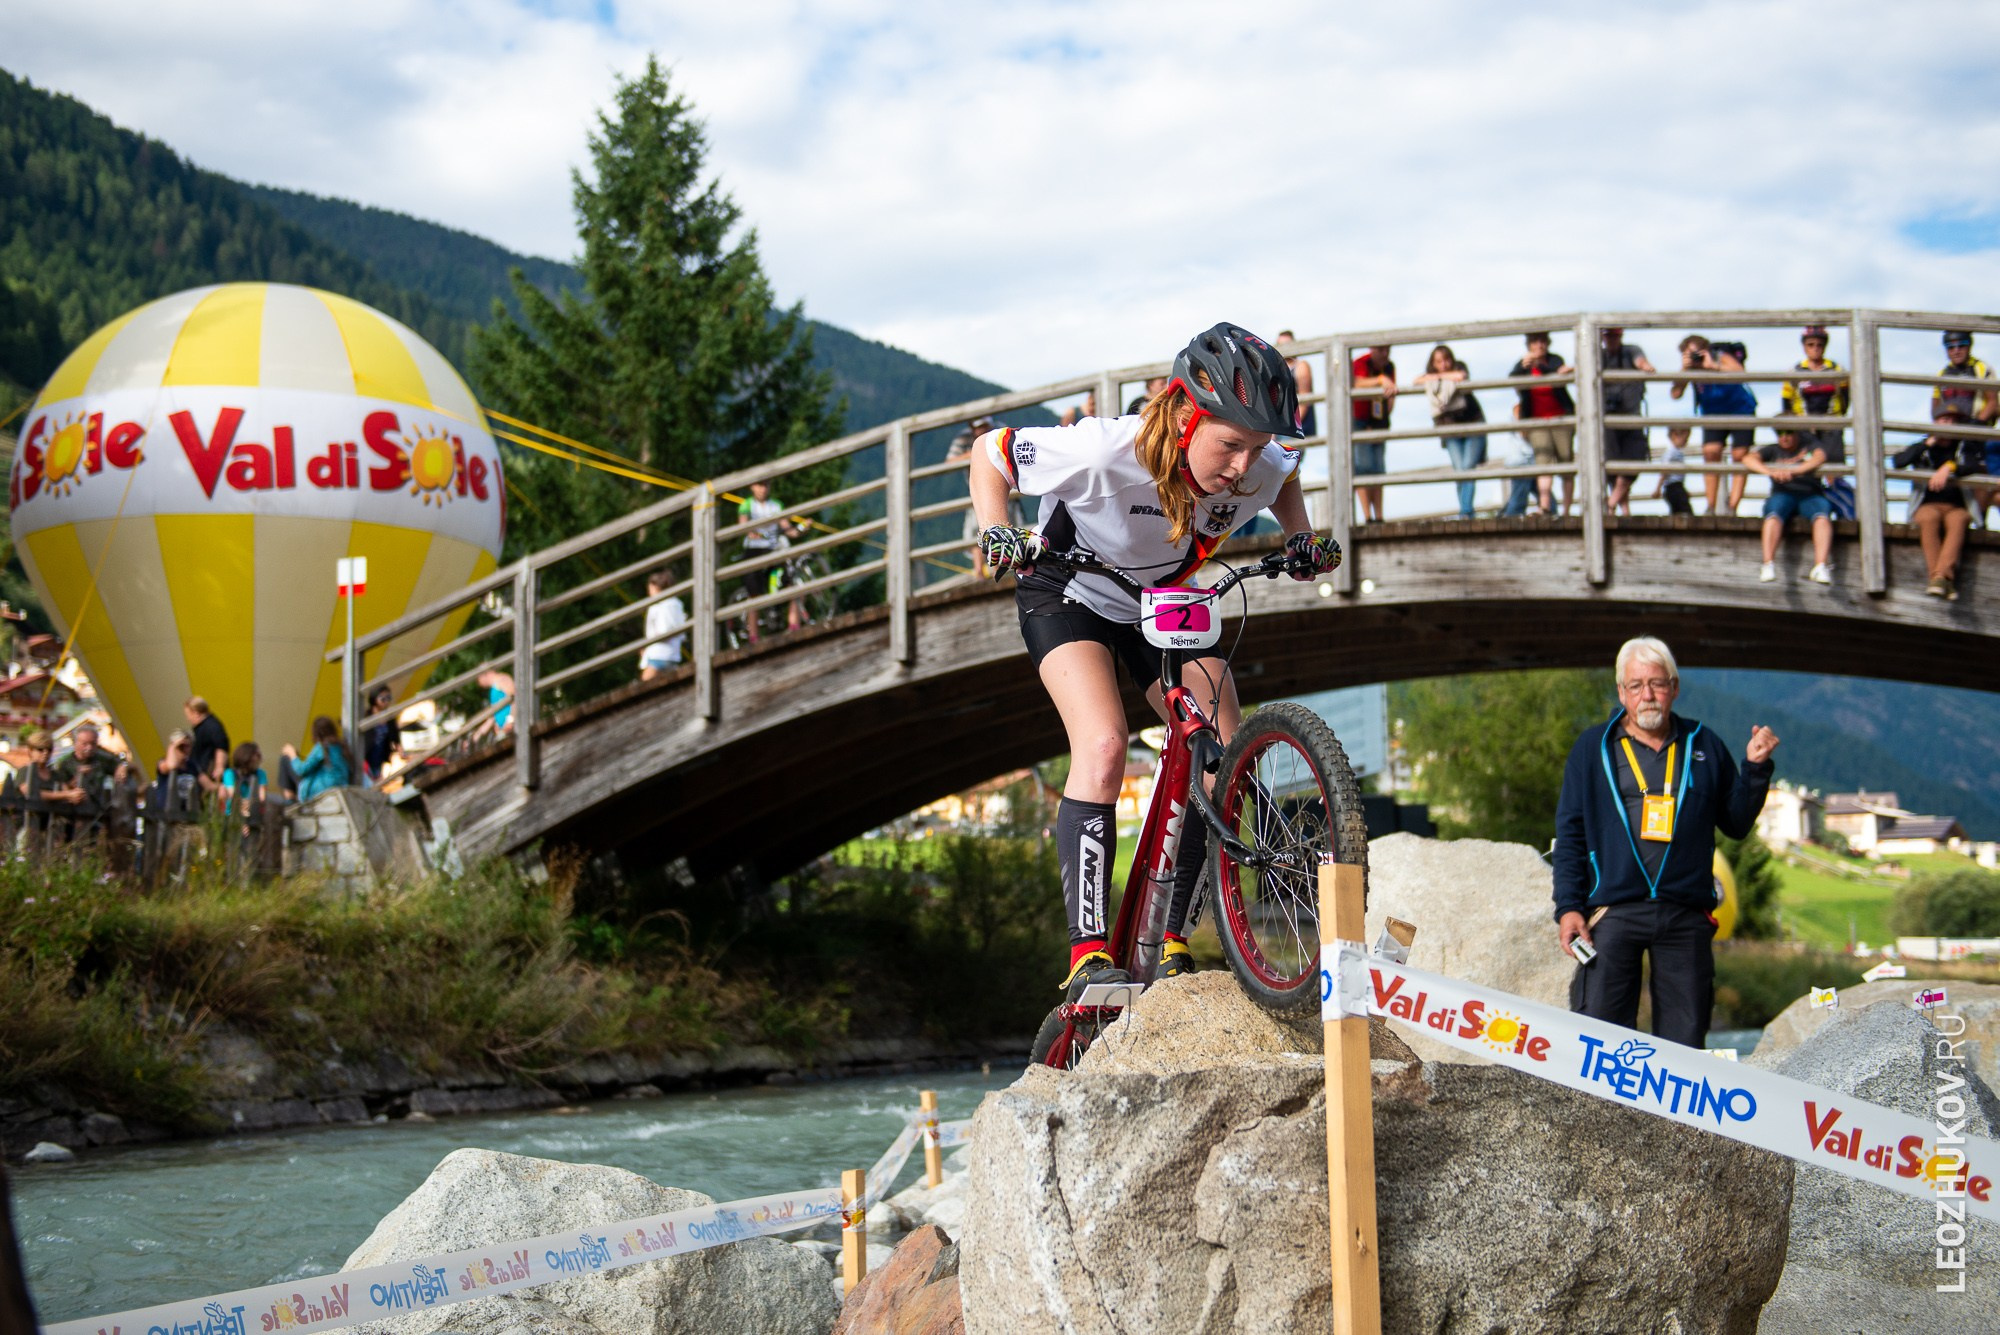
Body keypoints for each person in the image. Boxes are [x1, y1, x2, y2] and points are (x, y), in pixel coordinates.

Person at [966, 322, 1339, 1002]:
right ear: (1186, 412)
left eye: (1253, 447)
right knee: (1104, 744)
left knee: (1216, 746)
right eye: (1229, 444)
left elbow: (1285, 477)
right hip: (1066, 589)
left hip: (1159, 600)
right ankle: (1087, 953)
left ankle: (1172, 936)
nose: (1240, 465)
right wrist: (997, 527)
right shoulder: (1109, 451)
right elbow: (993, 452)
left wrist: (1302, 539)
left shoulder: (1257, 462)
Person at [1553, 637, 1777, 1049]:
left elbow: (1737, 822)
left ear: (1674, 687)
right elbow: (1570, 834)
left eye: (1657, 684)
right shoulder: (1593, 748)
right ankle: (1607, 1115)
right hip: (1612, 910)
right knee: (1600, 1036)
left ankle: (1672, 1119)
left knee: (1685, 1042)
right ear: (1621, 692)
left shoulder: (1704, 744)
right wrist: (1568, 908)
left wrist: (1756, 769)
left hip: (1685, 913)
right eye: (1636, 685)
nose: (1647, 695)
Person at [1894, 407, 1986, 601]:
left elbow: (1972, 465)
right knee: (1929, 518)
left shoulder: (1962, 447)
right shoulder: (1924, 447)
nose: (1949, 424)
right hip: (1928, 504)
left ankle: (1939, 577)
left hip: (1955, 506)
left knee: (1959, 520)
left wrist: (1949, 467)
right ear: (1935, 423)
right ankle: (1944, 579)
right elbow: (1899, 461)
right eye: (1944, 420)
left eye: (1953, 421)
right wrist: (1927, 443)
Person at [1671, 336, 1757, 515]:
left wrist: (1713, 367)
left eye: (1696, 353)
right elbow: (1675, 393)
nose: (1694, 357)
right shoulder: (1689, 369)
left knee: (1740, 455)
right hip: (1712, 414)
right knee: (1710, 452)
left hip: (1740, 410)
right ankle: (1710, 506)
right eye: (1688, 354)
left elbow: (1740, 372)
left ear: (1705, 350)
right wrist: (1684, 370)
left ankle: (1733, 507)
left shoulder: (1720, 356)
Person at [1741, 425, 1834, 585]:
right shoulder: (1772, 450)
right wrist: (1770, 472)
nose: (1784, 437)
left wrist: (1794, 471)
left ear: (1797, 432)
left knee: (1822, 515)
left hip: (1809, 494)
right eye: (1779, 433)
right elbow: (1747, 459)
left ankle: (1821, 566)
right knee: (1773, 514)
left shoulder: (1809, 444)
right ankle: (1768, 564)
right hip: (1782, 494)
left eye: (1788, 432)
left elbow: (1820, 457)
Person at [1780, 326, 1854, 519]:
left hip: (1831, 425)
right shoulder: (1795, 371)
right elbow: (1786, 402)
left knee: (1833, 469)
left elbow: (1846, 397)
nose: (1815, 348)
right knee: (1807, 469)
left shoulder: (1836, 369)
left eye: (1819, 345)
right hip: (1805, 427)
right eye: (1811, 345)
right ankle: (1807, 510)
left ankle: (1841, 511)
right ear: (1804, 347)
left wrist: (1835, 418)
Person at [1415, 344, 1486, 518]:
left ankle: (1466, 511)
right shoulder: (1432, 378)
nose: (1444, 364)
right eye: (1439, 361)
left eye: (1446, 360)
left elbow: (1461, 376)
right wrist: (1442, 377)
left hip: (1472, 422)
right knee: (1460, 469)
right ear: (1433, 363)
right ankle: (1466, 510)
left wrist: (1436, 376)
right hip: (1449, 428)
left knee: (1467, 467)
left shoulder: (1459, 366)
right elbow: (1416, 380)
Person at [1508, 332, 1575, 516]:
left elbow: (1560, 372)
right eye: (1535, 342)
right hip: (1536, 420)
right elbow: (1513, 380)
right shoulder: (1522, 365)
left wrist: (1541, 367)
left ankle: (1567, 511)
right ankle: (1544, 506)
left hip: (1561, 418)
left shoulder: (1554, 360)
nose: (1539, 345)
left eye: (1542, 341)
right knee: (1543, 462)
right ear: (1529, 345)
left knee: (1566, 462)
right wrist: (1524, 368)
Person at [1600, 328, 1657, 515]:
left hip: (1631, 418)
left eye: (1614, 336)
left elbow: (1640, 361)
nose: (1611, 340)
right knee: (1613, 468)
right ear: (1602, 337)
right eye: (1608, 336)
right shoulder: (1597, 355)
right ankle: (1624, 510)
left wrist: (1645, 366)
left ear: (1621, 336)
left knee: (1633, 461)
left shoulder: (1631, 350)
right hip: (1607, 420)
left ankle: (1609, 504)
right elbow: (1582, 367)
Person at [1350, 345, 1396, 522]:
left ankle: (1379, 516)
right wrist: (1380, 380)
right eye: (1381, 350)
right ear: (1372, 349)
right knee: (1363, 467)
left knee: (1378, 467)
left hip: (1379, 421)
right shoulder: (1361, 363)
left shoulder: (1389, 366)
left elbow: (1391, 393)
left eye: (1387, 350)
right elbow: (1355, 383)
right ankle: (1367, 516)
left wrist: (1385, 414)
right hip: (1360, 420)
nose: (1385, 354)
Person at [51, 724, 125, 825]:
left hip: (100, 810)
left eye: (93, 744)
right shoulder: (64, 763)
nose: (89, 747)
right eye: (84, 744)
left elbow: (121, 763)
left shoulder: (101, 758)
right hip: (73, 814)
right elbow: (61, 789)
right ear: (75, 743)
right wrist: (76, 779)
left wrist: (121, 768)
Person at [284, 716, 354, 801]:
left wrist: (292, 754)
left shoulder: (322, 747)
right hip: (341, 786)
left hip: (321, 789)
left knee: (284, 760)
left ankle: (288, 798)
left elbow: (301, 770)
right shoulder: (342, 747)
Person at [639, 567, 689, 680]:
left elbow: (664, 630)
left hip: (658, 654)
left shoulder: (661, 605)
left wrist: (648, 648)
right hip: (673, 654)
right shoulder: (676, 604)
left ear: (656, 587)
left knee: (644, 687)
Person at [182, 695, 230, 798]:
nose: (188, 718)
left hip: (210, 772)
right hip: (203, 772)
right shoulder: (203, 726)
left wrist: (219, 766)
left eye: (188, 714)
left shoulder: (211, 725)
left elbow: (221, 745)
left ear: (196, 713)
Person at [1275, 331, 1317, 437]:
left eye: (1287, 344)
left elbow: (1304, 400)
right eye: (1281, 345)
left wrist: (1293, 426)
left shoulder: (1301, 366)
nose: (1284, 348)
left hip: (1295, 424)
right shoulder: (1276, 367)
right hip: (1279, 424)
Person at [362, 685, 400, 781]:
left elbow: (395, 737)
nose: (386, 702)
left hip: (380, 758)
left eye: (389, 698)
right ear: (374, 699)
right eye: (383, 699)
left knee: (376, 780)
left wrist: (399, 750)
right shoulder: (366, 717)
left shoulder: (389, 717)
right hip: (365, 758)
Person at [1655, 427, 1695, 515]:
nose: (1686, 442)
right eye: (1685, 439)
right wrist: (1658, 488)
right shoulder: (1672, 452)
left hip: (1677, 486)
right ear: (1674, 436)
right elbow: (1665, 470)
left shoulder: (1677, 452)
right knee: (1686, 511)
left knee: (1676, 511)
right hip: (1673, 487)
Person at [220, 742, 267, 813]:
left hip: (253, 813)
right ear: (247, 757)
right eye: (257, 755)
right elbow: (232, 795)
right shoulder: (230, 773)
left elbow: (262, 798)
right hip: (232, 814)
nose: (260, 759)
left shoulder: (260, 774)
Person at [475, 667, 514, 738]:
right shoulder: (493, 689)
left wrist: (510, 720)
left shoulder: (502, 679)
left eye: (478, 679)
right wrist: (476, 736)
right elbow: (493, 716)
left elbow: (515, 700)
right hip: (503, 730)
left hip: (512, 727)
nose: (480, 684)